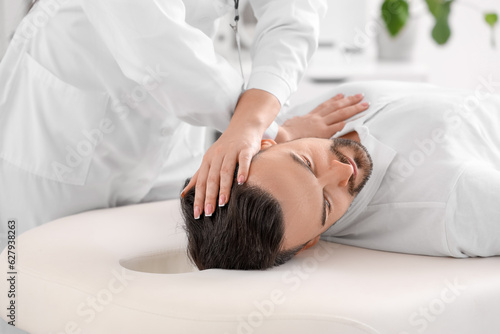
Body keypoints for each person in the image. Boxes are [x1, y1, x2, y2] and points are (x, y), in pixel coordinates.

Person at [0, 0, 328, 246]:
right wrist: (270, 128)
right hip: (66, 122)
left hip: (173, 129)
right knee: (39, 279)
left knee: (156, 271)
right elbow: (153, 42)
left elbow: (295, 12)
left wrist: (257, 115)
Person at [181, 80, 500, 270]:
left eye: (306, 162)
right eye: (326, 203)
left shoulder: (303, 123)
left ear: (268, 143)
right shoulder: (458, 201)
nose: (343, 170)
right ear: (311, 241)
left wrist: (285, 128)